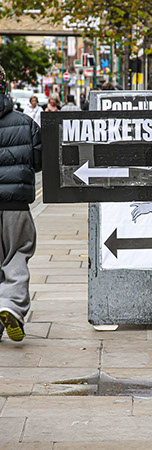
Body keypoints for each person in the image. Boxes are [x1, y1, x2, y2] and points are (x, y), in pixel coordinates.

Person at [0, 65, 42, 342]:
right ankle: (10, 305)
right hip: (15, 204)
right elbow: (40, 161)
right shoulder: (25, 123)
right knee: (16, 253)